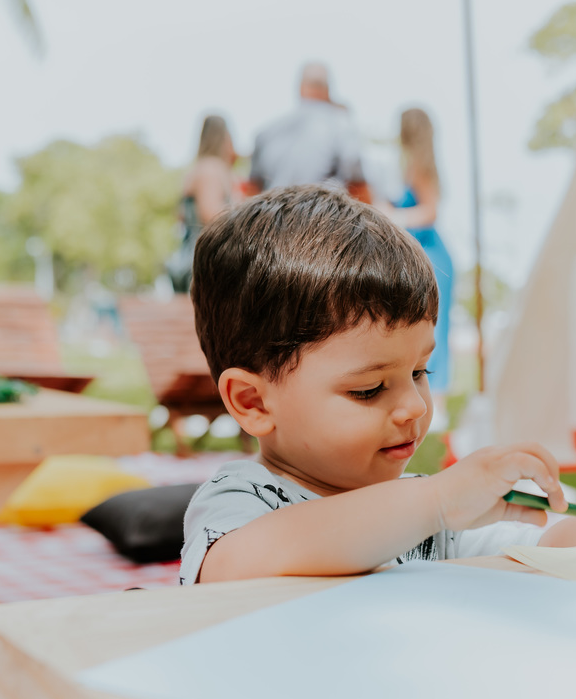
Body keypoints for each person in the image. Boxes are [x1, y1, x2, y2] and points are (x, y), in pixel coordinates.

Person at [180, 185, 576, 585]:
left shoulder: (430, 513)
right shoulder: (238, 504)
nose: (413, 407)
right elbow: (242, 564)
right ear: (252, 402)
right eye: (369, 389)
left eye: (420, 373)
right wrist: (438, 500)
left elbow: (553, 546)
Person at [377, 107, 454, 430]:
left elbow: (429, 212)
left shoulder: (420, 166)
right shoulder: (406, 166)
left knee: (433, 331)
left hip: (432, 256)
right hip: (417, 254)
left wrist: (391, 216)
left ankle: (440, 403)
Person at [247, 62, 370, 200]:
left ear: (300, 88)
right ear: (328, 90)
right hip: (324, 215)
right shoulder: (342, 125)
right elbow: (357, 182)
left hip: (276, 214)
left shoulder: (267, 131)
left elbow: (252, 188)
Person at [169, 114, 241, 292]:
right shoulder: (210, 169)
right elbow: (211, 214)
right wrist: (244, 209)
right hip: (206, 262)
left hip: (196, 258)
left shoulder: (199, 168)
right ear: (224, 138)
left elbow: (181, 217)